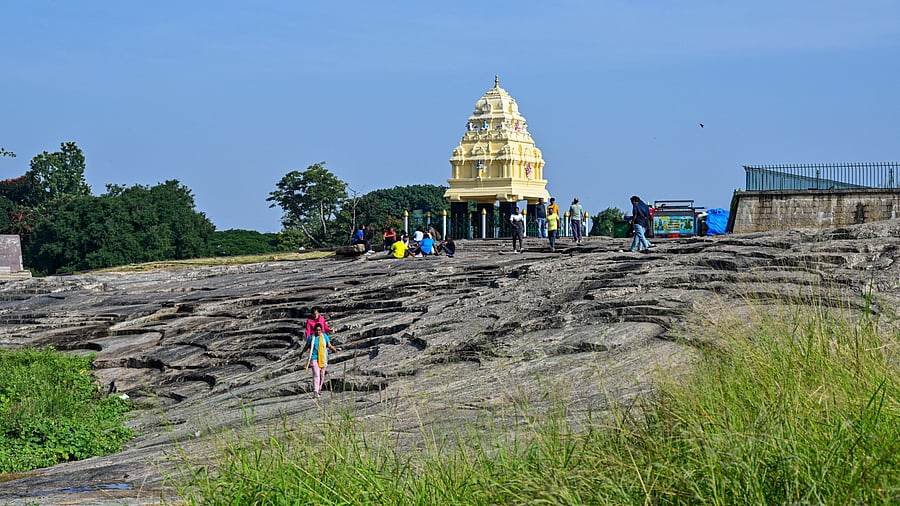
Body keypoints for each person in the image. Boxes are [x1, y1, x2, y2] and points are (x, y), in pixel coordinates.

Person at [299, 323, 340, 398]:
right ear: (314, 330)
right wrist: (301, 353)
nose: (318, 332)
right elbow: (306, 347)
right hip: (314, 358)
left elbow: (329, 345)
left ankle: (319, 388)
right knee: (316, 375)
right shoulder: (311, 338)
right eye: (316, 330)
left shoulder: (324, 336)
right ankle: (315, 391)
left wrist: (335, 350)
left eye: (319, 330)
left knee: (322, 375)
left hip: (323, 358)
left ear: (321, 330)